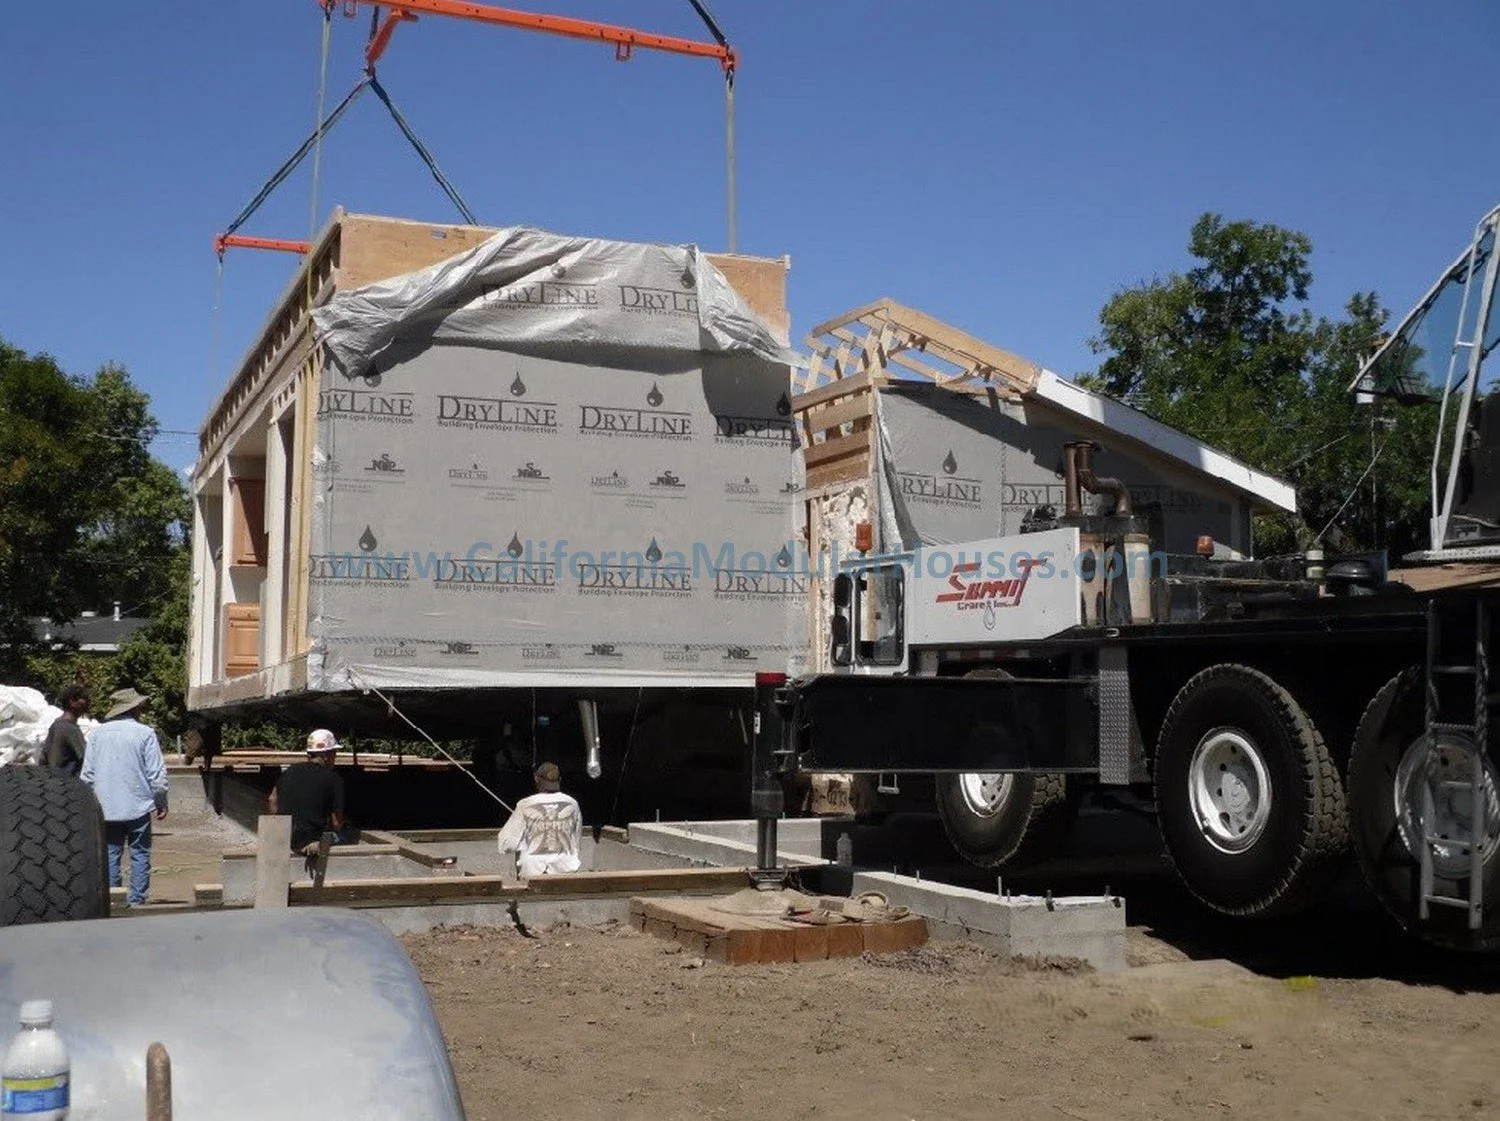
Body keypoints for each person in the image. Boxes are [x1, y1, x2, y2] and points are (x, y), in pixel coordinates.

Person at [79, 687, 168, 906]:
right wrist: (161, 801)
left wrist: (90, 804)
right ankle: (137, 900)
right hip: (138, 805)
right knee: (140, 854)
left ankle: (113, 898)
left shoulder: (97, 734)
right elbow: (156, 774)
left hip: (105, 806)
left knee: (110, 854)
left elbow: (87, 775)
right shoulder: (145, 733)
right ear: (134, 708)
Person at [496, 762, 582, 877]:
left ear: (537, 779)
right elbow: (576, 841)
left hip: (533, 872)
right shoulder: (572, 804)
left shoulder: (525, 804)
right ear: (559, 780)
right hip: (565, 870)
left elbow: (507, 845)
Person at [268, 729, 346, 853]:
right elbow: (336, 823)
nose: (335, 758)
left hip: (285, 838)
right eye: (334, 754)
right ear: (326, 755)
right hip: (312, 841)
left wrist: (281, 828)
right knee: (344, 836)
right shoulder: (334, 779)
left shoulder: (290, 771)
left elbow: (272, 800)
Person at [42, 684, 90, 776]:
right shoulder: (70, 729)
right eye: (83, 698)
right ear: (72, 701)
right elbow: (85, 758)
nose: (86, 702)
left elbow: (44, 756)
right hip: (67, 781)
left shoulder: (56, 724)